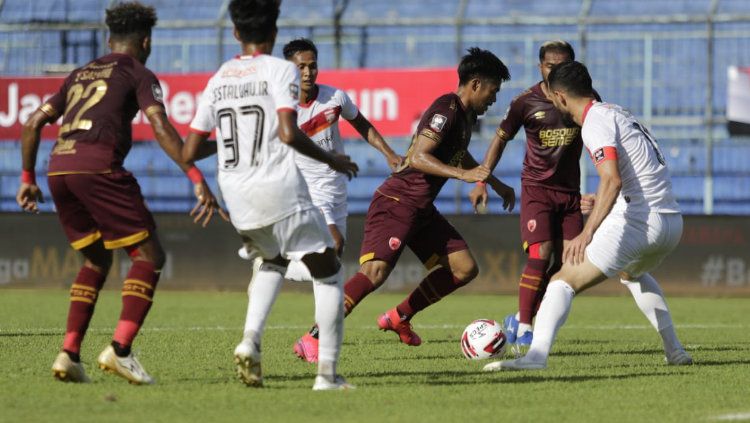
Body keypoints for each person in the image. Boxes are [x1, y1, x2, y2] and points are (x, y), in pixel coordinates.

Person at [16, 1, 225, 385]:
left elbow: (31, 124)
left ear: (110, 39)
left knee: (95, 261)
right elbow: (160, 126)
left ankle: (69, 353)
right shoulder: (138, 72)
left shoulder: (79, 73)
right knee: (150, 255)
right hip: (99, 167)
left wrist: (27, 177)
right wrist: (195, 174)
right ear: (146, 41)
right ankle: (121, 350)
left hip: (59, 169)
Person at [293, 47, 516, 363]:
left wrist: (493, 183)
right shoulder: (447, 109)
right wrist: (464, 175)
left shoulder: (466, 117)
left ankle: (399, 317)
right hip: (397, 202)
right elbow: (417, 157)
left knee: (464, 268)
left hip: (421, 209)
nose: (493, 99)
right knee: (375, 272)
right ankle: (312, 338)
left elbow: (455, 154)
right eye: (493, 91)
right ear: (476, 84)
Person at [182, 0, 359, 390]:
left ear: (234, 32)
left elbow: (189, 151)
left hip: (235, 191)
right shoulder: (281, 71)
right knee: (330, 271)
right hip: (277, 185)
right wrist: (332, 158)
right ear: (274, 33)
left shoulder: (219, 78)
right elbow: (288, 132)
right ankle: (327, 375)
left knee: (272, 261)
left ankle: (250, 340)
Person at [483, 61, 693, 371]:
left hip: (639, 221)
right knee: (631, 274)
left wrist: (587, 232)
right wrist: (602, 202)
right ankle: (674, 351)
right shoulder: (617, 112)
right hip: (671, 222)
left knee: (561, 281)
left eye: (553, 99)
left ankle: (535, 357)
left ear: (561, 97)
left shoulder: (595, 121)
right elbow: (632, 175)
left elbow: (612, 179)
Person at [469, 41, 595, 350]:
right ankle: (525, 327)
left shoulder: (584, 100)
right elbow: (500, 139)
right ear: (541, 67)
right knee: (541, 253)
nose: (556, 71)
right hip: (538, 191)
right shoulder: (525, 102)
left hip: (570, 195)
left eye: (563, 65)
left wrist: (599, 188)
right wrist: (482, 181)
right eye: (550, 66)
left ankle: (520, 317)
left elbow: (598, 141)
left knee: (571, 266)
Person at [279, 38, 401, 286]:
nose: (307, 72)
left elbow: (363, 125)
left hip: (337, 187)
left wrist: (389, 154)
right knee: (335, 244)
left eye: (312, 66)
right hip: (308, 188)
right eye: (300, 67)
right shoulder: (284, 109)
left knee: (333, 261)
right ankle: (277, 267)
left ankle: (318, 323)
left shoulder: (335, 97)